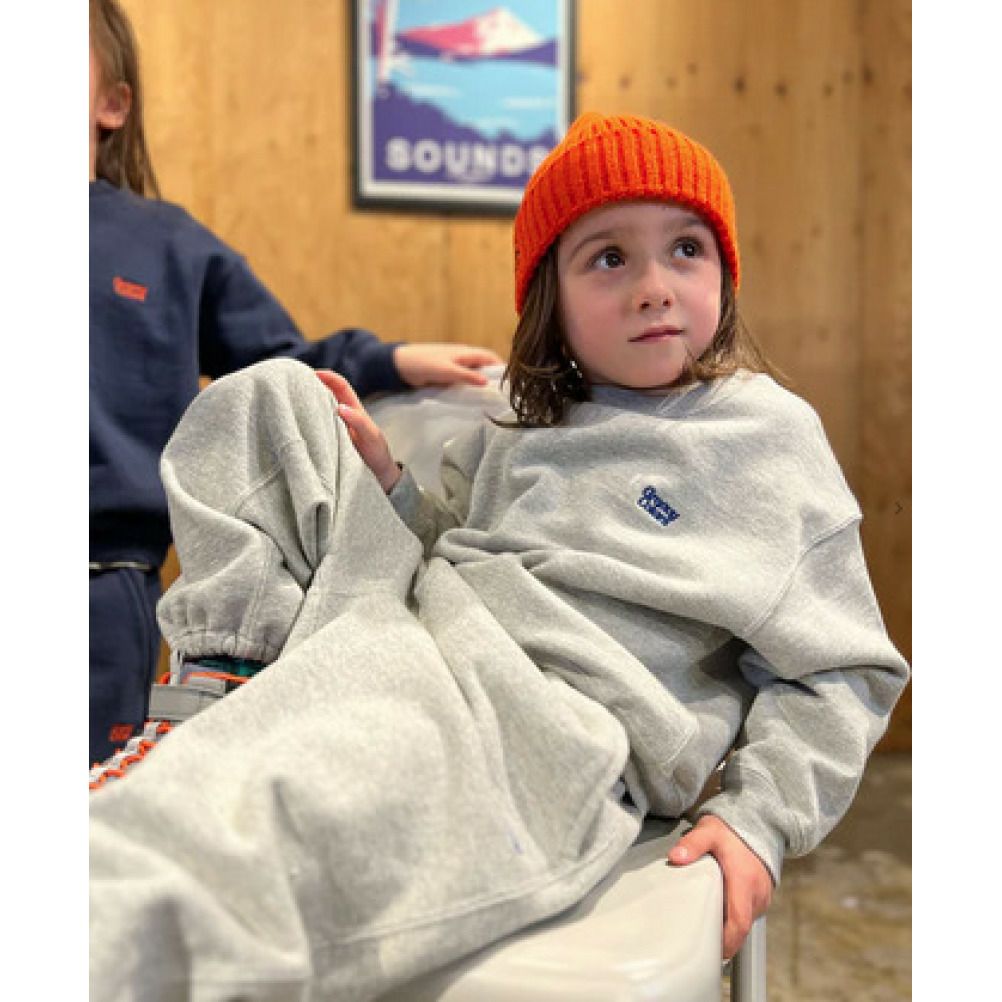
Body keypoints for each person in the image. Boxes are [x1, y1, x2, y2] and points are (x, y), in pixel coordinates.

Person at [89, 111, 909, 999]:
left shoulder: (766, 438)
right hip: (412, 623)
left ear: (725, 273)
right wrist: (388, 483)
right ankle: (219, 685)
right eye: (609, 258)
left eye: (686, 249)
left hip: (548, 716)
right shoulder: (517, 425)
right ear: (550, 300)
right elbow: (443, 545)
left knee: (230, 827)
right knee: (271, 396)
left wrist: (761, 818)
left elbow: (844, 668)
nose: (654, 288)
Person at [88, 0, 501, 765]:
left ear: (112, 104)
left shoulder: (169, 246)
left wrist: (389, 361)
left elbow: (279, 365)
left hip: (104, 591)